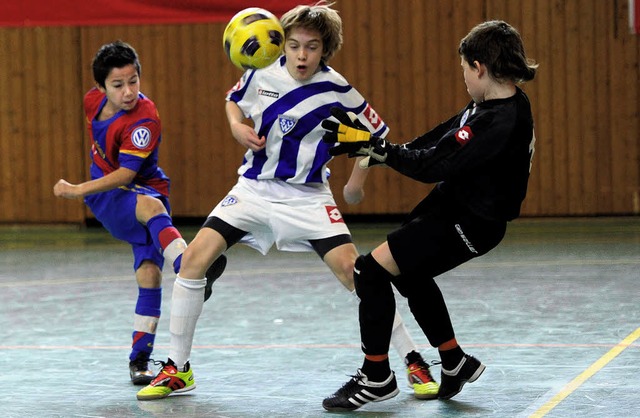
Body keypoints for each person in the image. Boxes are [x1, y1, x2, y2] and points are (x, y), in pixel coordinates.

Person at [136, 2, 438, 401]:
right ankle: (178, 368)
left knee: (359, 275)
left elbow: (376, 136)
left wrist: (356, 182)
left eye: (311, 47)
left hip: (307, 197)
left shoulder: (338, 90)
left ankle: (412, 358)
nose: (301, 55)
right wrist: (235, 126)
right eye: (294, 45)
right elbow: (233, 98)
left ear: (324, 49)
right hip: (253, 189)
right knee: (192, 262)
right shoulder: (261, 70)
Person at [321, 20, 538, 411]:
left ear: (479, 68)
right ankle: (454, 360)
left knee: (370, 271)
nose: (464, 78)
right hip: (453, 208)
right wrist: (382, 147)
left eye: (463, 70)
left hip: (471, 223)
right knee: (409, 273)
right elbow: (439, 141)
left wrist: (379, 149)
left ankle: (376, 377)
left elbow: (431, 166)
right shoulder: (499, 101)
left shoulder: (498, 122)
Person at [53, 40, 226, 386]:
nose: (129, 91)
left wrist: (76, 188)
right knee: (152, 208)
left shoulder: (144, 119)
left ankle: (139, 360)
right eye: (118, 85)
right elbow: (117, 179)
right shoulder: (92, 102)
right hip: (112, 197)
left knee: (148, 275)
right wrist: (86, 189)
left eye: (134, 81)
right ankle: (190, 266)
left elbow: (128, 175)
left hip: (140, 190)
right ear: (101, 87)